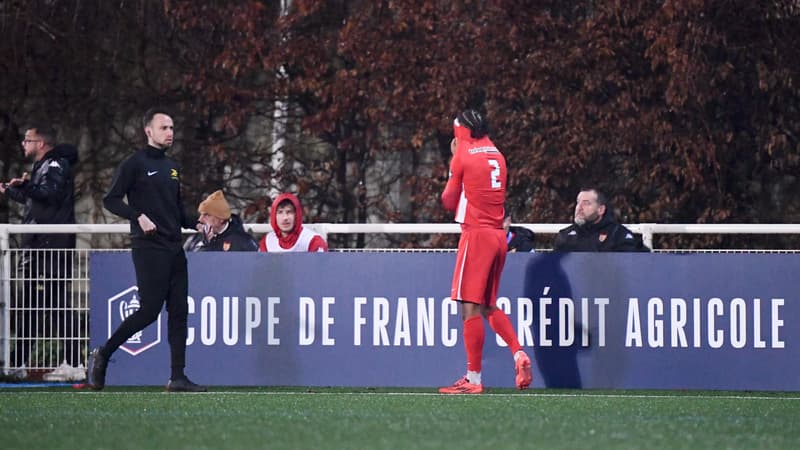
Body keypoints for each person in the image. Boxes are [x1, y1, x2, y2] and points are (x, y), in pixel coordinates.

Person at [88, 107, 206, 392]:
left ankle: (177, 377)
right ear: (148, 131)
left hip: (174, 248)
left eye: (172, 128)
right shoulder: (134, 164)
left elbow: (175, 211)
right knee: (149, 311)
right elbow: (111, 200)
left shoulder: (173, 167)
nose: (170, 133)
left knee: (179, 311)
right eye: (164, 127)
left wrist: (197, 222)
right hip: (148, 248)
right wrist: (136, 216)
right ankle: (102, 354)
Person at [438, 109, 532, 394]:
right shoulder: (497, 154)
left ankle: (474, 378)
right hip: (498, 236)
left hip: (476, 235)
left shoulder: (463, 155)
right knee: (488, 305)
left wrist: (453, 166)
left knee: (468, 306)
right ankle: (518, 352)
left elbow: (448, 200)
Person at [0, 123, 80, 368]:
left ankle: (72, 363)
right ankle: (20, 362)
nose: (23, 144)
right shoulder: (44, 166)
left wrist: (26, 186)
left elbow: (50, 194)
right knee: (36, 306)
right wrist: (9, 190)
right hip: (41, 248)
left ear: (41, 144)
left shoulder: (55, 164)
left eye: (27, 140)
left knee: (53, 306)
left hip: (50, 249)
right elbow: (37, 199)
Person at [553, 188, 650, 252]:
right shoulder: (565, 236)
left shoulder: (618, 235)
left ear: (601, 210)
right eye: (578, 202)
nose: (579, 207)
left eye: (586, 203)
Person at [184, 190, 258, 252]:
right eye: (201, 214)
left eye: (206, 215)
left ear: (221, 219)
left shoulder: (244, 242)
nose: (200, 219)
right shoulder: (193, 241)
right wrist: (205, 244)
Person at [258, 192, 328, 252]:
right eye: (280, 212)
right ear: (274, 216)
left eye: (289, 212)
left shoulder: (313, 241)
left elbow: (320, 267)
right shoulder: (267, 242)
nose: (285, 217)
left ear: (297, 215)